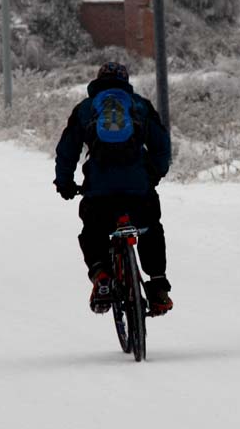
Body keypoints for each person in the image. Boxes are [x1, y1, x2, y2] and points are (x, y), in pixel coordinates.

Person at [54, 62, 173, 315]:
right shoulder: (139, 106)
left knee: (92, 232)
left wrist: (65, 184)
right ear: (125, 82)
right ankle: (158, 286)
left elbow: (67, 151)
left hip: (99, 193)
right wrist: (154, 174)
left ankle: (101, 275)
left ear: (98, 81)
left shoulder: (86, 109)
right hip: (138, 190)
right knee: (151, 228)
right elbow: (162, 145)